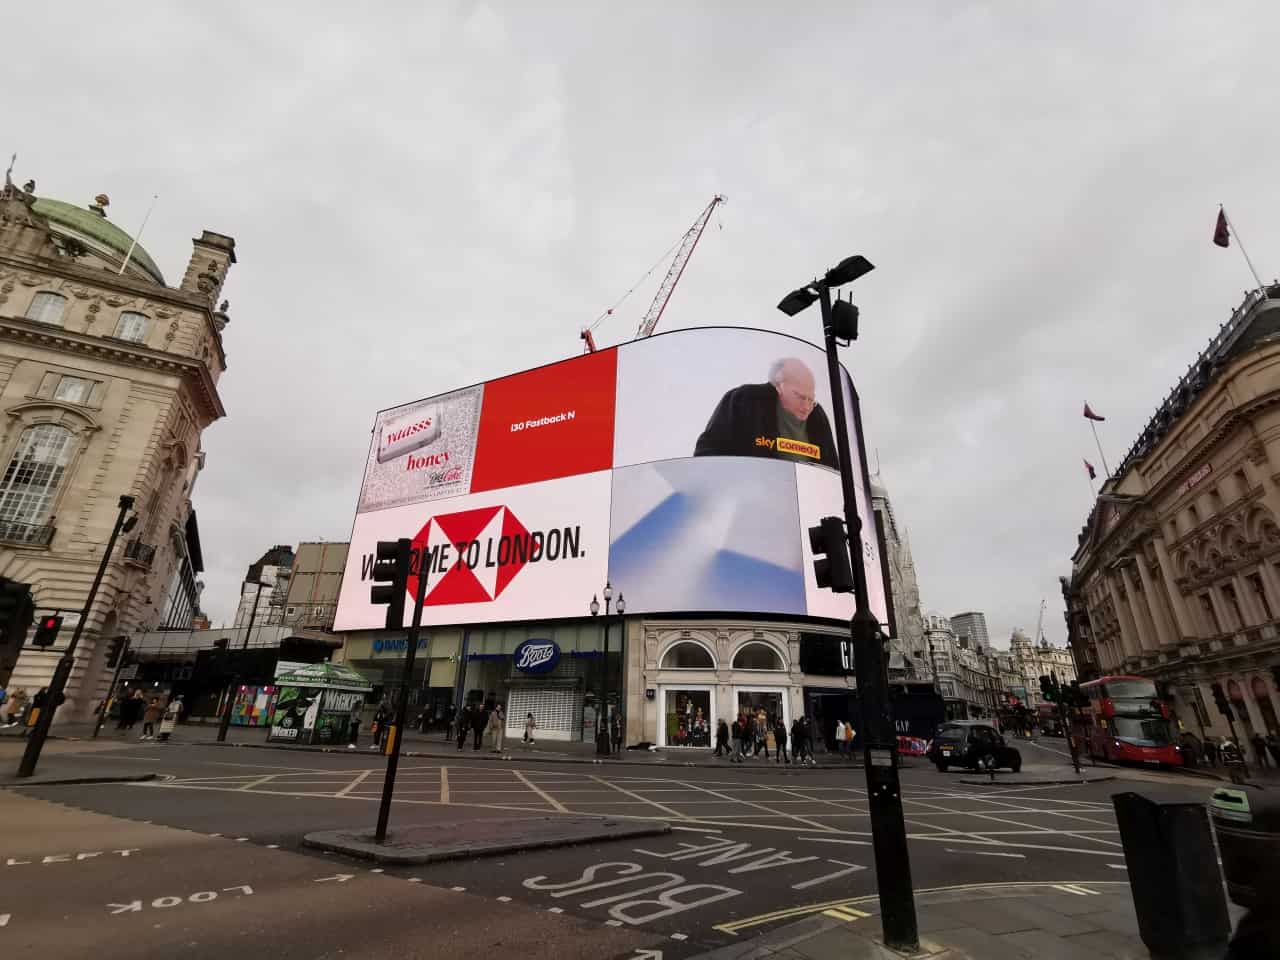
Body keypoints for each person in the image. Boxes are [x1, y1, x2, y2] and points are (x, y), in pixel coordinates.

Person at [693, 357, 839, 469]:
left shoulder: (817, 416)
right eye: (800, 397)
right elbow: (707, 452)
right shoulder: (745, 399)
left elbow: (832, 470)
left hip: (806, 503)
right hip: (752, 500)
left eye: (811, 400)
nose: (807, 406)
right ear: (779, 385)